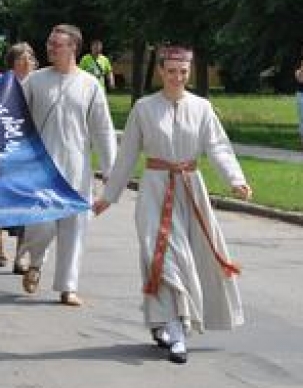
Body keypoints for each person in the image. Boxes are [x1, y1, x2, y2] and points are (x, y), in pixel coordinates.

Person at [93, 45, 251, 365]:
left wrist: (235, 180)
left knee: (185, 256)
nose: (177, 78)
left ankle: (170, 324)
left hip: (191, 190)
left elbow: (218, 148)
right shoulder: (144, 108)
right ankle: (174, 328)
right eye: (171, 72)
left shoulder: (202, 108)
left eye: (183, 72)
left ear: (188, 73)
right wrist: (108, 196)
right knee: (161, 257)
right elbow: (127, 156)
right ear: (161, 72)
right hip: (154, 188)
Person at [20, 24, 116, 306]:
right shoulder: (35, 81)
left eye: (56, 44)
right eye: (49, 43)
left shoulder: (90, 84)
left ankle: (68, 287)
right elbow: (14, 117)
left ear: (73, 48)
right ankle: (34, 259)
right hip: (41, 167)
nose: (50, 48)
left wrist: (111, 169)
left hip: (77, 166)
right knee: (43, 224)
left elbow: (102, 129)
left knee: (75, 226)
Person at [3, 42, 37, 274]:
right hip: (8, 150)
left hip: (32, 152)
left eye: (30, 58)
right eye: (21, 59)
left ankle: (21, 254)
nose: (27, 63)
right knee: (3, 201)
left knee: (28, 204)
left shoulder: (42, 84)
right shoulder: (4, 85)